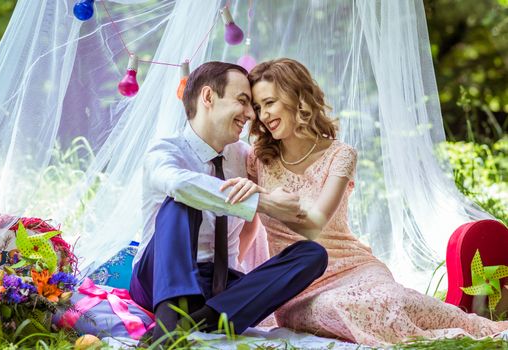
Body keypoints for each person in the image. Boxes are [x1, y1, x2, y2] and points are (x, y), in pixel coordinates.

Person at [223, 58, 508, 346]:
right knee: (346, 308)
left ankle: (484, 327)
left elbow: (315, 224)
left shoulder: (340, 154)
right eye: (258, 107)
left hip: (354, 267)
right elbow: (248, 227)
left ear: (296, 97)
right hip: (299, 287)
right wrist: (236, 280)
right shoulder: (258, 159)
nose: (263, 114)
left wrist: (264, 200)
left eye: (269, 102)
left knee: (389, 299)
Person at [129, 61, 328, 342]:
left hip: (220, 288)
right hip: (159, 278)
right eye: (243, 101)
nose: (250, 114)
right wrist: (261, 202)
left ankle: (203, 320)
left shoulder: (244, 156)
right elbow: (178, 183)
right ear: (208, 97)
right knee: (182, 201)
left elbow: (291, 194)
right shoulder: (164, 149)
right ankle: (169, 323)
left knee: (312, 255)